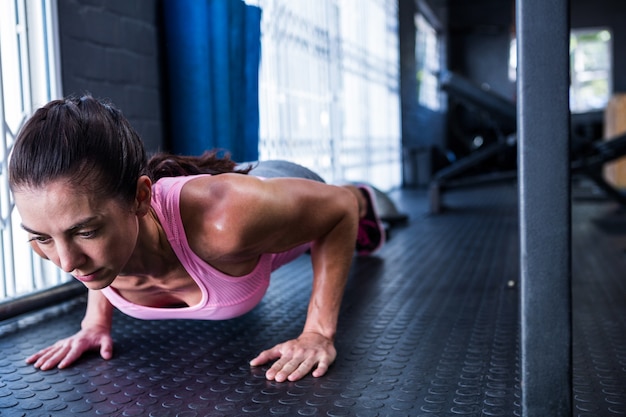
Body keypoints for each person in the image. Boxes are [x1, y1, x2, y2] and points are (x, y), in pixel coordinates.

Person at [8, 95, 386, 383]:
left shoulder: (228, 223)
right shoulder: (93, 238)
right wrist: (94, 325)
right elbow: (87, 248)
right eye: (41, 238)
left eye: (85, 231)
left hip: (263, 187)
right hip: (199, 196)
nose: (67, 262)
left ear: (140, 198)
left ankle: (362, 193)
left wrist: (318, 333)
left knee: (342, 202)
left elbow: (337, 210)